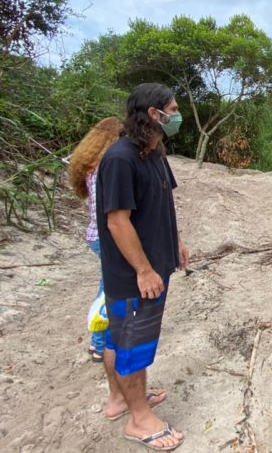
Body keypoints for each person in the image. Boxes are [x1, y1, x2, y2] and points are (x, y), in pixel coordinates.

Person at [97, 83, 189, 451]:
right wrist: (144, 270)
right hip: (135, 275)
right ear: (155, 114)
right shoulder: (121, 159)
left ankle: (121, 399)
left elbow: (162, 205)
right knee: (134, 342)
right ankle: (139, 420)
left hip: (155, 264)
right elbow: (118, 221)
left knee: (121, 338)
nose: (177, 115)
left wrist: (176, 243)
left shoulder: (154, 154)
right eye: (173, 108)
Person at [68, 116, 124, 362]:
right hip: (108, 237)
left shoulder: (91, 167)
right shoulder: (107, 168)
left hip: (96, 235)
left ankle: (100, 342)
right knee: (110, 292)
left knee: (107, 287)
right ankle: (100, 344)